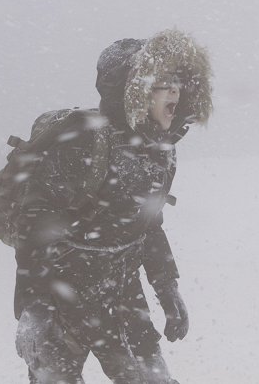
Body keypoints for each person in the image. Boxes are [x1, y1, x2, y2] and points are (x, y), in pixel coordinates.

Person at [13, 29, 213, 383]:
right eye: (162, 84)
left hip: (122, 293)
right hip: (60, 294)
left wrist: (167, 288)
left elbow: (148, 225)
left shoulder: (160, 152)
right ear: (131, 92)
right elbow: (34, 226)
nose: (175, 92)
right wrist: (35, 308)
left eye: (178, 83)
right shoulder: (81, 142)